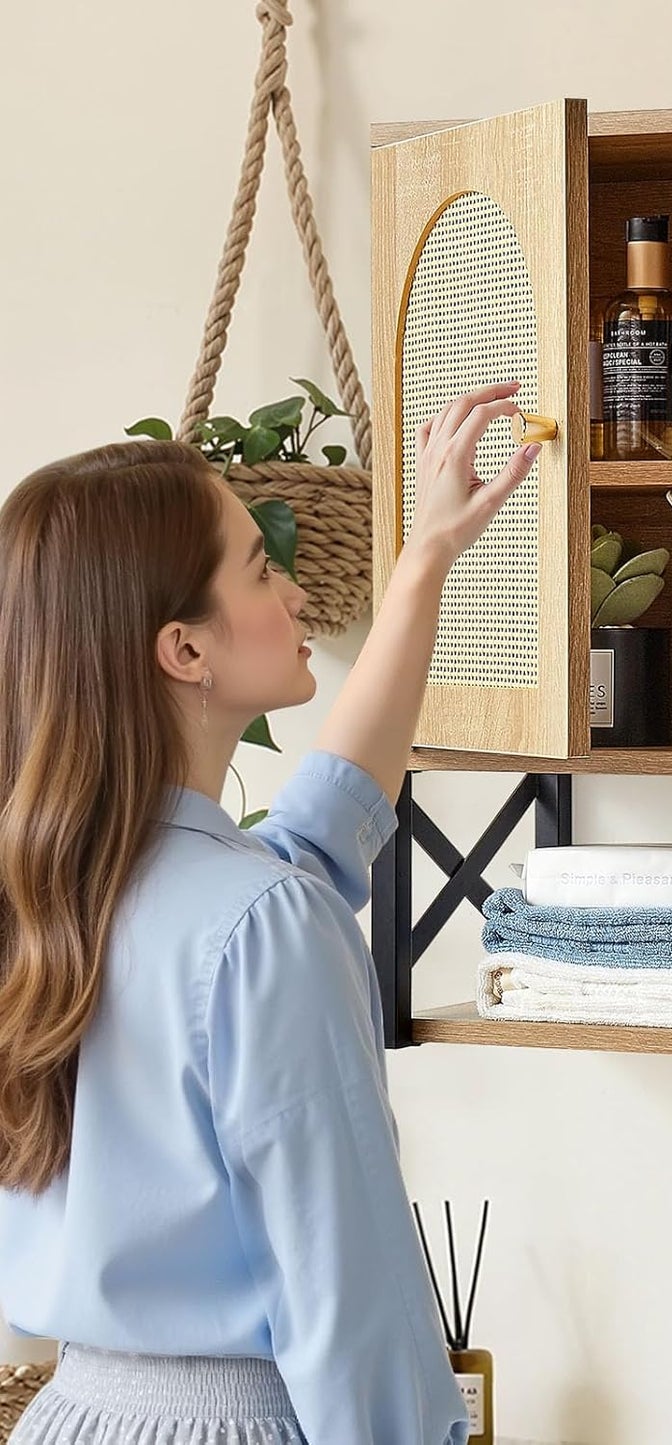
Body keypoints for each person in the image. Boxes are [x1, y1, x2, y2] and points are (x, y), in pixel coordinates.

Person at [0, 381, 538, 1444]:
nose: (293, 592)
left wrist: (423, 564)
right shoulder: (258, 924)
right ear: (183, 649)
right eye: (259, 567)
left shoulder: (49, 890)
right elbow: (350, 1295)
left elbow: (317, 831)